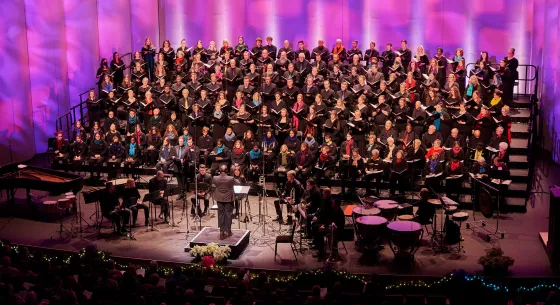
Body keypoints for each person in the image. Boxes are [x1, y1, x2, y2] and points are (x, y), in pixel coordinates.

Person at [212, 165, 235, 239]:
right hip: (228, 198)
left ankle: (221, 230)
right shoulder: (231, 178)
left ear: (219, 170)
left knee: (220, 214)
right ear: (227, 170)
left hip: (219, 198)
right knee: (228, 214)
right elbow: (233, 185)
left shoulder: (215, 178)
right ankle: (228, 231)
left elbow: (214, 186)